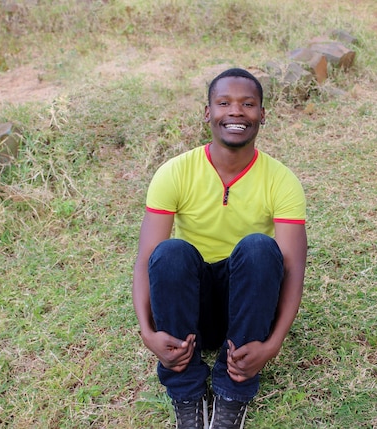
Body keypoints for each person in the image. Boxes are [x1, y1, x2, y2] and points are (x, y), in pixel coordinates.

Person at [132, 68, 307, 429]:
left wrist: (272, 344)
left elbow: (291, 270)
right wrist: (147, 332)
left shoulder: (282, 180)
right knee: (170, 252)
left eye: (248, 104)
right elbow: (146, 260)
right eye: (224, 102)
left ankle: (233, 393)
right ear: (207, 113)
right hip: (191, 311)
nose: (236, 112)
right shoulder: (175, 172)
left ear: (262, 115)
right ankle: (186, 393)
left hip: (246, 313)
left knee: (260, 248)